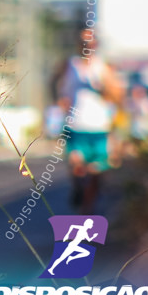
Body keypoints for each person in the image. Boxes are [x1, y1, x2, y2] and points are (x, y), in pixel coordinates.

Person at [56, 28, 123, 214]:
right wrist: (60, 101)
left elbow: (117, 95)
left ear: (96, 45)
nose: (87, 46)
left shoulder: (103, 67)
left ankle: (87, 210)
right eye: (84, 42)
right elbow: (56, 84)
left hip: (99, 127)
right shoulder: (70, 64)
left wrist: (103, 88)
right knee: (76, 165)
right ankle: (78, 188)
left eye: (91, 43)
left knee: (96, 171)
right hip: (75, 125)